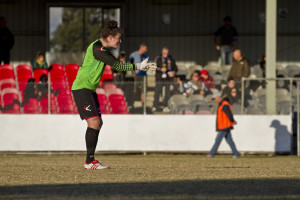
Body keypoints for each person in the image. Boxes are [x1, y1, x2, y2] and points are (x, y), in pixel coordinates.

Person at [71, 21, 156, 169]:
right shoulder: (97, 48)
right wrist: (138, 66)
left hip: (88, 89)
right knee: (94, 123)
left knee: (98, 123)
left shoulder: (102, 49)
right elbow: (117, 65)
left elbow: (116, 64)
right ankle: (89, 162)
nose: (120, 40)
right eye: (118, 38)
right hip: (82, 88)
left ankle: (91, 160)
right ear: (110, 37)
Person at [207, 92, 239, 158]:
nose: (214, 100)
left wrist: (232, 121)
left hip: (224, 126)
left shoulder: (224, 104)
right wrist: (232, 121)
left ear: (219, 97)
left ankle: (212, 154)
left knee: (218, 140)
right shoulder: (222, 104)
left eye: (215, 98)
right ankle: (236, 153)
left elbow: (229, 114)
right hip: (224, 125)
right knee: (230, 141)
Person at [152, 47, 178, 112]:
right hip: (159, 78)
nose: (165, 54)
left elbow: (175, 69)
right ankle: (155, 106)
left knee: (167, 93)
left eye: (167, 53)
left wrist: (173, 73)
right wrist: (160, 69)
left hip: (168, 79)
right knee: (157, 92)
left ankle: (165, 106)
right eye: (164, 53)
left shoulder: (171, 59)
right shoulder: (158, 58)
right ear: (162, 52)